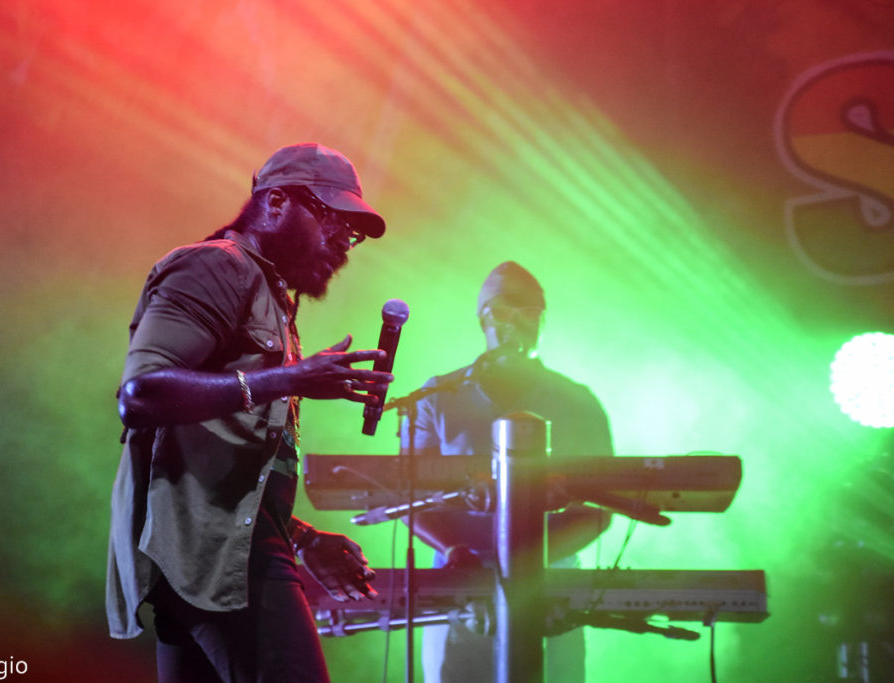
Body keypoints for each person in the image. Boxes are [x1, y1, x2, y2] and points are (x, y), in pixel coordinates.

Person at [106, 142, 394, 683]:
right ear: (277, 201)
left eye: (352, 233)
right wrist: (289, 379)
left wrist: (303, 538)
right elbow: (141, 394)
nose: (343, 241)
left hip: (213, 552)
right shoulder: (216, 266)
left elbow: (220, 463)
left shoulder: (270, 295)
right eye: (333, 219)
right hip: (214, 554)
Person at [399, 261, 614, 683]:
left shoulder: (578, 402)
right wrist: (455, 549)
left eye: (527, 312)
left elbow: (604, 505)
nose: (513, 324)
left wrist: (533, 561)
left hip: (552, 583)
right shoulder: (437, 397)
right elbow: (406, 496)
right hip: (459, 580)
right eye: (500, 312)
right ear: (482, 319)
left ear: (542, 321)